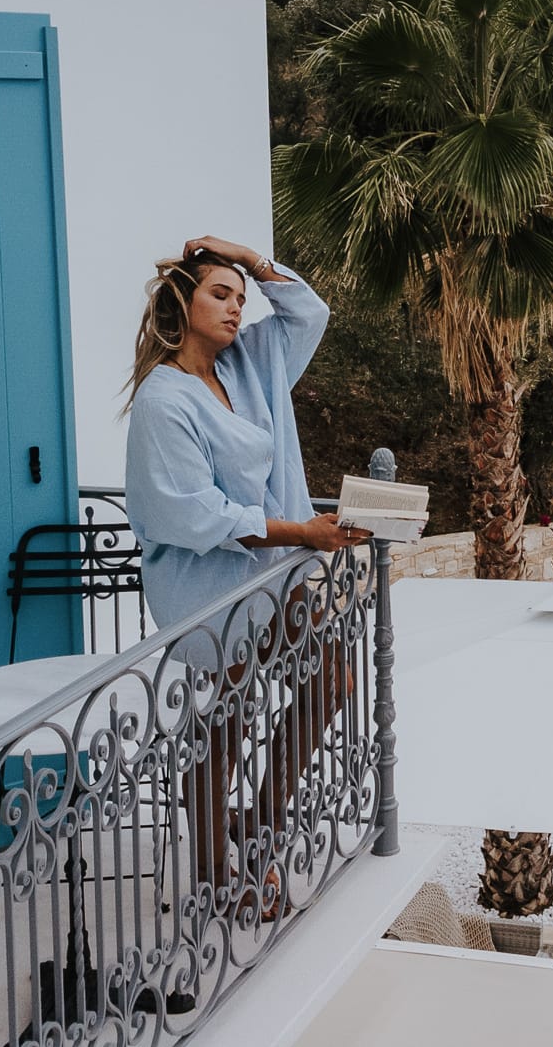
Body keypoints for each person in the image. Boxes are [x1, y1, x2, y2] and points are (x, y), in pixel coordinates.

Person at [122, 235, 366, 918]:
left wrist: (250, 259)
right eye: (219, 294)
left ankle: (259, 820)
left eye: (241, 297)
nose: (236, 308)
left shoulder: (252, 364)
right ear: (183, 304)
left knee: (333, 679)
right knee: (226, 724)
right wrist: (305, 533)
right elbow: (197, 514)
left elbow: (310, 313)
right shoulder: (162, 401)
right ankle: (213, 875)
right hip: (206, 587)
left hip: (273, 573)